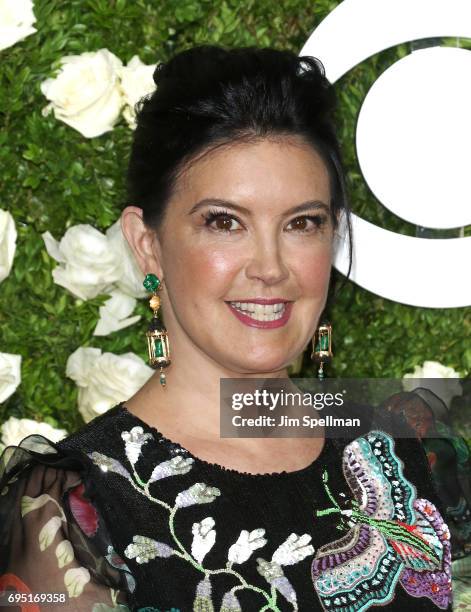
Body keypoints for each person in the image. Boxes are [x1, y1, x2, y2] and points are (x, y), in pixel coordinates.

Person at [0, 45, 453, 611]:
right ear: (148, 246)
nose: (270, 267)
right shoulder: (73, 511)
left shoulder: (405, 443)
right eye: (224, 222)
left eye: (302, 223)